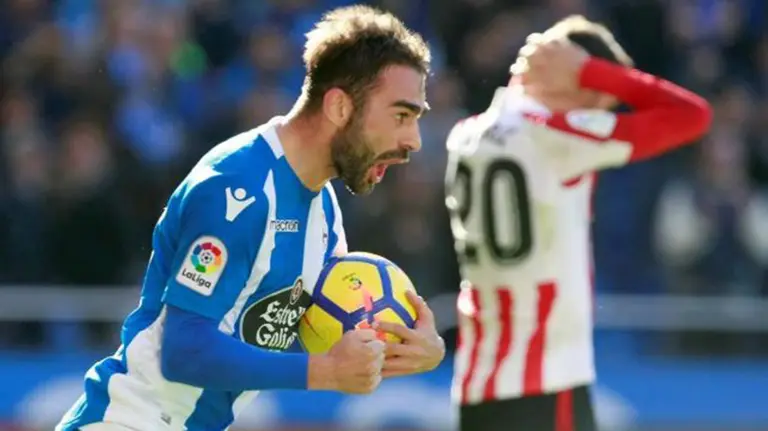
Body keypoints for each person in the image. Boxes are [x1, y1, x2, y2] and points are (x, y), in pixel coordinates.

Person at [57, 6, 445, 431]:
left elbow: (330, 324)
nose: (413, 141)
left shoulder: (323, 205)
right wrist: (326, 372)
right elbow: (183, 350)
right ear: (339, 106)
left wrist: (409, 346)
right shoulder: (238, 189)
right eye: (401, 116)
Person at [445, 15, 711, 431]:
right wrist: (592, 72)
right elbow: (692, 116)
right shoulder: (553, 136)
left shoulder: (464, 134)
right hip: (547, 380)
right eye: (602, 102)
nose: (601, 111)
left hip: (476, 380)